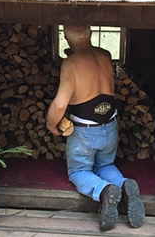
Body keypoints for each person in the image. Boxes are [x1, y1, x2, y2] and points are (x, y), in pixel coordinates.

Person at [47, 25, 145, 231]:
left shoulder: (71, 63)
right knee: (105, 166)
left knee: (78, 171)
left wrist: (51, 125)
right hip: (110, 125)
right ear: (90, 34)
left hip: (85, 131)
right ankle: (124, 184)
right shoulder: (105, 55)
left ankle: (105, 191)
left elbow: (60, 104)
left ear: (66, 39)